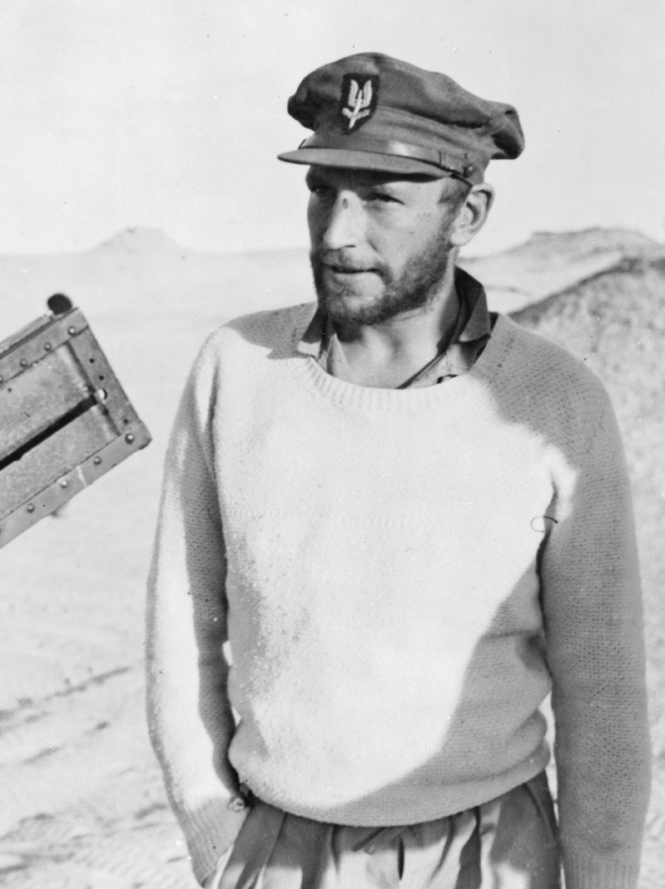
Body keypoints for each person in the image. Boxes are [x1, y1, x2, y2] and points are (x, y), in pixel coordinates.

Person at [145, 53, 651, 889]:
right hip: (279, 854)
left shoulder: (556, 402)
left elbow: (603, 694)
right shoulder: (235, 369)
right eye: (322, 191)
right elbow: (180, 626)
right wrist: (217, 835)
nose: (337, 232)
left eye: (380, 197)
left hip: (492, 860)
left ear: (469, 212)